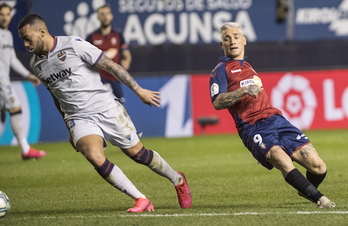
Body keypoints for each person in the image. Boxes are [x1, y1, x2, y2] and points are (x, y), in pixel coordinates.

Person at [17, 14, 192, 212]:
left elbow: (110, 65)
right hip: (78, 117)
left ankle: (177, 179)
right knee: (93, 155)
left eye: (27, 38)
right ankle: (140, 199)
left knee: (138, 154)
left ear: (41, 31)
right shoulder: (36, 64)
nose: (25, 44)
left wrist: (138, 90)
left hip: (105, 107)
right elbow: (55, 95)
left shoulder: (73, 45)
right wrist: (68, 125)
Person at [210, 22, 335, 208]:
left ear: (244, 40)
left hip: (276, 120)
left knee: (319, 167)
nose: (232, 41)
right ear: (222, 45)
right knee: (280, 158)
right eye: (226, 39)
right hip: (252, 126)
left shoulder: (248, 66)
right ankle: (320, 199)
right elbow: (217, 101)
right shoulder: (221, 69)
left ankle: (305, 189)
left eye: (236, 36)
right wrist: (243, 91)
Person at [0, 3, 46, 160]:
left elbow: (12, 59)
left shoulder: (7, 35)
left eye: (7, 14)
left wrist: (28, 75)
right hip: (1, 81)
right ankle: (25, 149)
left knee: (12, 111)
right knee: (15, 108)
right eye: (1, 14)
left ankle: (25, 149)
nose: (4, 17)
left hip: (4, 80)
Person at [86, 4, 131, 105]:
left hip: (115, 77)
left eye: (108, 14)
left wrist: (126, 62)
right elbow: (86, 58)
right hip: (98, 79)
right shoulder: (91, 37)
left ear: (111, 16)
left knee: (120, 108)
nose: (105, 17)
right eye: (102, 14)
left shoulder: (118, 34)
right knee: (100, 107)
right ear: (98, 17)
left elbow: (126, 54)